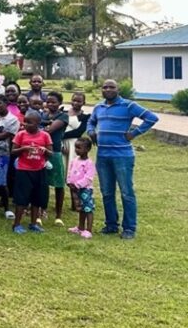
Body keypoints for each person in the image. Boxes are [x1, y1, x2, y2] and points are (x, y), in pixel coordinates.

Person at [87, 79, 158, 239]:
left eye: (111, 87)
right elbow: (91, 121)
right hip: (103, 155)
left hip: (122, 156)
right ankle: (111, 225)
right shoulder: (99, 107)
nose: (108, 89)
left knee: (126, 192)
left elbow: (151, 118)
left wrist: (134, 133)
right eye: (105, 87)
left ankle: (129, 228)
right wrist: (91, 131)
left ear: (118, 89)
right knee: (106, 192)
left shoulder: (128, 106)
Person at [11, 111, 52, 234]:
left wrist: (45, 150)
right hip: (24, 170)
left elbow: (51, 153)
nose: (25, 124)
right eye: (25, 121)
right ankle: (16, 224)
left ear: (38, 123)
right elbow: (13, 152)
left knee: (37, 198)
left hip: (39, 170)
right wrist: (23, 149)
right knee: (21, 199)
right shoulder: (21, 135)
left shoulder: (45, 136)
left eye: (29, 122)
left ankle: (33, 223)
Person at [42, 91, 70, 226]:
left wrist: (43, 126)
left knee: (58, 184)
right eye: (48, 102)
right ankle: (43, 209)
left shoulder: (63, 116)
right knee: (43, 183)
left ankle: (58, 214)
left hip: (55, 153)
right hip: (42, 152)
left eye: (54, 102)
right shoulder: (44, 115)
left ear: (60, 103)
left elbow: (49, 130)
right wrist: (43, 124)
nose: (50, 104)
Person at [66, 138, 96, 239]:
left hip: (85, 190)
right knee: (81, 209)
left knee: (88, 209)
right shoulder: (75, 160)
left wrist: (78, 185)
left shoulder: (89, 163)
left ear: (87, 149)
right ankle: (80, 227)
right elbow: (71, 171)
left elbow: (88, 178)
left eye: (79, 148)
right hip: (75, 189)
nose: (76, 150)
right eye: (75, 147)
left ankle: (89, 230)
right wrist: (69, 182)